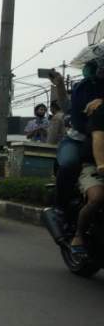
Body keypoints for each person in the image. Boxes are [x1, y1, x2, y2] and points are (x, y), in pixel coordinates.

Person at [55, 60, 104, 216]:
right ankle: (60, 207)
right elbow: (69, 108)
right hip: (78, 140)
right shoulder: (82, 88)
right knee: (69, 164)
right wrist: (60, 85)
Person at [70, 102, 104, 257]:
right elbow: (99, 139)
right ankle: (79, 235)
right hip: (94, 164)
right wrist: (101, 165)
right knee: (97, 197)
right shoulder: (100, 111)